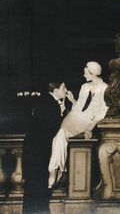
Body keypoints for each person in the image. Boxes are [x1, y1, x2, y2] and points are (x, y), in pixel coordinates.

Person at [48, 61, 108, 188]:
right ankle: (54, 170)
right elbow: (79, 107)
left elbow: (101, 113)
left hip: (87, 121)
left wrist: (89, 129)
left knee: (60, 135)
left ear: (93, 74)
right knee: (60, 135)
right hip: (76, 116)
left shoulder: (105, 88)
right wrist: (72, 100)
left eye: (86, 73)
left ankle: (57, 171)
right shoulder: (84, 87)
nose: (84, 75)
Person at [22, 81, 69, 214]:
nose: (65, 90)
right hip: (38, 152)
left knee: (34, 190)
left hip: (35, 151)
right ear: (55, 90)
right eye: (63, 88)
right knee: (37, 189)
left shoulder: (47, 102)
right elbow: (53, 127)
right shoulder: (49, 104)